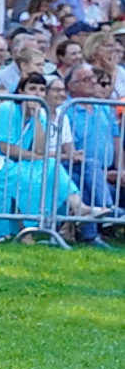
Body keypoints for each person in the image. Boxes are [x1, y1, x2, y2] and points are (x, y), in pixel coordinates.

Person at [0, 74, 108, 238]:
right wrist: (36, 157)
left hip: (14, 162)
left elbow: (40, 150)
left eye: (41, 90)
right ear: (21, 91)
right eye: (32, 89)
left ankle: (79, 207)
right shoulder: (7, 108)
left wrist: (36, 118)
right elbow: (8, 148)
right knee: (33, 177)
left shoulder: (41, 115)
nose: (37, 93)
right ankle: (27, 229)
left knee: (51, 166)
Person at [62, 63, 122, 247]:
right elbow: (67, 149)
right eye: (86, 79)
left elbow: (116, 141)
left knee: (94, 177)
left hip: (105, 171)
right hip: (74, 167)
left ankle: (105, 221)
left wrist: (120, 171)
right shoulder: (66, 110)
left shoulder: (104, 107)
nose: (92, 82)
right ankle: (107, 215)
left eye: (93, 79)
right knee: (86, 181)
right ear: (71, 85)